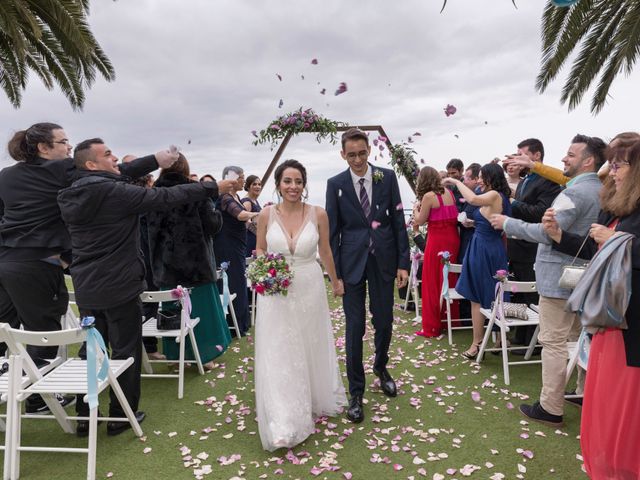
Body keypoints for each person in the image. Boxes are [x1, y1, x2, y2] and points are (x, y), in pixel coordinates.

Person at [57, 138, 234, 436]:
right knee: (125, 350)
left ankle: (85, 418)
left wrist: (155, 159)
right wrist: (211, 188)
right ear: (91, 164)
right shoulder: (112, 191)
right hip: (119, 284)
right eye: (108, 154)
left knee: (91, 349)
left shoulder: (73, 188)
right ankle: (120, 416)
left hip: (87, 283)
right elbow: (166, 198)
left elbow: (126, 170)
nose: (116, 159)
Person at [0, 122, 166, 415]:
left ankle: (25, 386)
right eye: (63, 142)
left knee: (10, 332)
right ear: (43, 148)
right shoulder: (62, 169)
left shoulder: (6, 176)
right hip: (36, 265)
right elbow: (110, 173)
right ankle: (37, 399)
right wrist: (155, 160)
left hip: (6, 263)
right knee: (45, 335)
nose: (68, 147)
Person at [490, 134, 607, 427]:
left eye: (570, 154)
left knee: (553, 341)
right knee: (580, 337)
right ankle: (582, 392)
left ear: (588, 161)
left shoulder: (574, 193)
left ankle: (551, 406)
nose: (564, 159)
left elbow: (547, 232)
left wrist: (508, 223)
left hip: (559, 280)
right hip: (585, 277)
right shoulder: (600, 190)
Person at [542, 133, 640, 479]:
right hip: (607, 321)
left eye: (618, 164)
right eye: (610, 163)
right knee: (604, 409)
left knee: (625, 415)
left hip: (630, 328)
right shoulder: (615, 207)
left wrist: (619, 241)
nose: (611, 171)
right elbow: (594, 253)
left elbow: (618, 250)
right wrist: (557, 236)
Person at [254, 159, 347, 451]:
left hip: (309, 285)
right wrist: (262, 270)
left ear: (304, 184)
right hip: (275, 291)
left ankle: (312, 396)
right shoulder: (266, 215)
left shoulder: (318, 214)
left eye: (298, 181)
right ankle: (284, 419)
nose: (293, 187)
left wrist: (336, 281)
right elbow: (260, 249)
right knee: (280, 348)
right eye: (287, 181)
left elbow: (326, 250)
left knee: (309, 343)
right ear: (279, 184)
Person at [326, 128, 410, 423]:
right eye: (352, 155)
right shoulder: (334, 184)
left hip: (384, 260)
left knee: (384, 321)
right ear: (343, 154)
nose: (358, 159)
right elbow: (332, 232)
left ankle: (381, 367)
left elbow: (399, 221)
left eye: (363, 153)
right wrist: (334, 275)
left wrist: (404, 263)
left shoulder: (386, 177)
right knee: (354, 328)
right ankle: (356, 392)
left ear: (368, 151)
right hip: (350, 265)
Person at [146, 154, 232, 370]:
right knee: (201, 312)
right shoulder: (196, 191)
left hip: (167, 266)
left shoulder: (153, 193)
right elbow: (212, 225)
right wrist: (217, 212)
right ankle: (205, 356)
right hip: (196, 264)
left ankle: (177, 359)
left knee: (172, 313)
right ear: (185, 168)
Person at [442, 163, 512, 359]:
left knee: (478, 296)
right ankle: (497, 340)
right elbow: (493, 222)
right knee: (489, 294)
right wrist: (475, 223)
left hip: (484, 249)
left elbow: (471, 199)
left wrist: (455, 181)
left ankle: (476, 343)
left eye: (482, 177)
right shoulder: (500, 197)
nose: (479, 180)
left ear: (491, 178)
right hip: (487, 246)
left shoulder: (495, 195)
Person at [507, 139, 562, 351]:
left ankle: (534, 342)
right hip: (516, 247)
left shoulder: (548, 182)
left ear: (536, 156)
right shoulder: (525, 180)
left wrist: (513, 204)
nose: (517, 157)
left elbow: (540, 213)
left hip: (532, 246)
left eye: (521, 153)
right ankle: (520, 336)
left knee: (531, 295)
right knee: (517, 292)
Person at [412, 166, 460, 337]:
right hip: (453, 239)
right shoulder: (449, 193)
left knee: (432, 279)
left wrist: (416, 210)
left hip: (437, 240)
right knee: (449, 277)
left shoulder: (428, 196)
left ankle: (433, 325)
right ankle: (451, 321)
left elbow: (420, 220)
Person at [213, 166, 260, 335]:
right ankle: (232, 325)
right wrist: (259, 214)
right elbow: (240, 215)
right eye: (241, 178)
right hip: (227, 246)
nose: (243, 181)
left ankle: (241, 322)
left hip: (238, 245)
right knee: (232, 282)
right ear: (232, 179)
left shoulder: (236, 196)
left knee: (239, 281)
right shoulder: (225, 197)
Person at [241, 174, 263, 257]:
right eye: (254, 184)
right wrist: (261, 234)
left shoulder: (254, 201)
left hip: (256, 238)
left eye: (259, 184)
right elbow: (246, 223)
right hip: (250, 238)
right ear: (248, 186)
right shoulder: (247, 202)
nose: (257, 186)